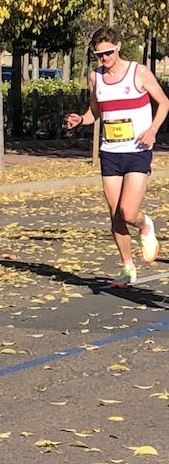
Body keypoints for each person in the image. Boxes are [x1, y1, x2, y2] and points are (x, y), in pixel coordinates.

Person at [65, 26, 166, 284]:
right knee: (114, 214)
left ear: (118, 46)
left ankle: (145, 225)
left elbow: (164, 102)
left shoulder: (138, 72)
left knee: (128, 212)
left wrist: (153, 129)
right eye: (99, 55)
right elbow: (95, 112)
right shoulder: (95, 77)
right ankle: (127, 267)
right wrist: (80, 119)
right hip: (110, 152)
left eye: (108, 53)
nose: (104, 59)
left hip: (137, 150)